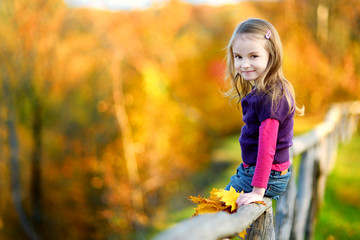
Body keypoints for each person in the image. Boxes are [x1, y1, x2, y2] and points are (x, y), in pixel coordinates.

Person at [223, 18, 304, 207]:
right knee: (221, 210)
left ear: (271, 55)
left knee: (215, 210)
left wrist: (257, 191)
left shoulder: (271, 96)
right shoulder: (264, 90)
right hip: (259, 172)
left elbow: (267, 147)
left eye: (253, 56)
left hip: (267, 177)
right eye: (238, 57)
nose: (244, 64)